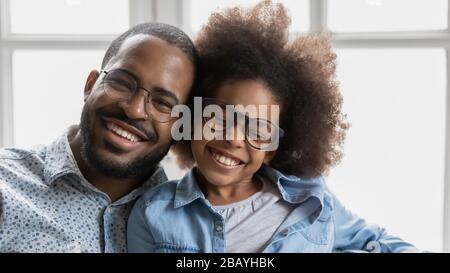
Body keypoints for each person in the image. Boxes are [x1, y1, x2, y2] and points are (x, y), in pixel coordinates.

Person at [127, 1, 419, 253]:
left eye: (258, 131)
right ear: (191, 117)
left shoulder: (312, 203)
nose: (233, 139)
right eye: (218, 117)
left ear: (272, 148)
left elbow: (378, 242)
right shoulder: (153, 213)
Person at [0, 22, 197, 252]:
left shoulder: (193, 224)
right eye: (122, 83)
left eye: (163, 103)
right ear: (90, 85)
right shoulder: (5, 186)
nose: (134, 110)